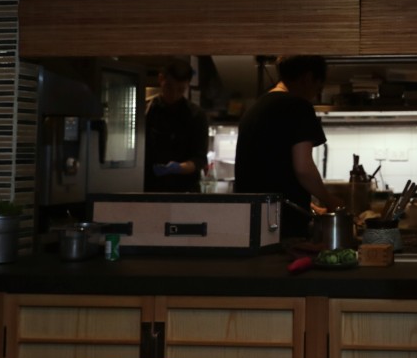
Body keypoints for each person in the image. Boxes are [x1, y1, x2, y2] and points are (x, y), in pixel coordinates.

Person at [233, 55, 343, 237]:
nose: (315, 94)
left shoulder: (256, 107)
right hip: (281, 224)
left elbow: (267, 168)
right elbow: (303, 168)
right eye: (318, 87)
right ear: (308, 78)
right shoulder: (298, 106)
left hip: (251, 220)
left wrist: (306, 205)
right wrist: (330, 200)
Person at [145, 59, 210, 193]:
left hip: (185, 191)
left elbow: (199, 159)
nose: (173, 95)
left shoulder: (196, 115)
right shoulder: (147, 111)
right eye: (169, 87)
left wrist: (178, 168)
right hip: (150, 188)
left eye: (180, 90)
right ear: (161, 79)